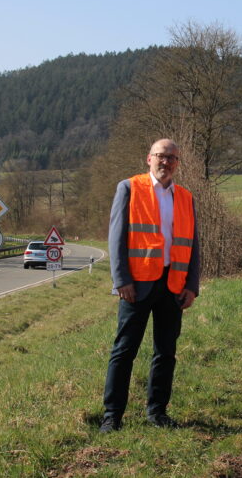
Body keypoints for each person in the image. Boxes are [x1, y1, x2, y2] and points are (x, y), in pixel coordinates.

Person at [99, 138, 200, 433]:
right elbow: (116, 237)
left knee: (166, 352)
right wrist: (121, 280)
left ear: (177, 163)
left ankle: (157, 413)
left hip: (173, 284)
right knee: (124, 350)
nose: (165, 162)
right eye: (160, 156)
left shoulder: (185, 197)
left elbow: (193, 244)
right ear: (149, 158)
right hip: (137, 285)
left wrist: (192, 285)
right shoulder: (129, 188)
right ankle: (112, 417)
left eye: (171, 158)